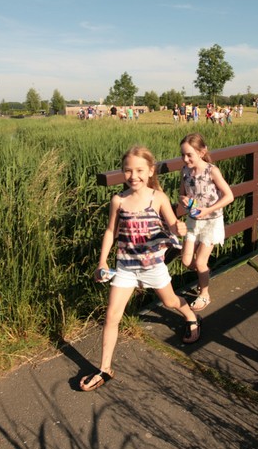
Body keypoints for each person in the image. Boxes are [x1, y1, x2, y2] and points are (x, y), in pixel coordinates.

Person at [81, 146, 200, 392]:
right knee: (112, 316)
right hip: (125, 266)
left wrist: (179, 228)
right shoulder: (119, 200)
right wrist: (102, 262)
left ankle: (190, 316)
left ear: (150, 171)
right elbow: (111, 231)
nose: (133, 176)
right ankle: (105, 369)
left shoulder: (158, 198)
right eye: (128, 171)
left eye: (139, 170)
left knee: (169, 301)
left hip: (153, 266)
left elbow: (173, 224)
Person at [178, 133, 235, 313]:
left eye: (189, 155)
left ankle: (204, 294)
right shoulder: (185, 171)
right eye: (183, 155)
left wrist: (208, 210)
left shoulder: (212, 171)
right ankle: (204, 275)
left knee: (200, 262)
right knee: (186, 260)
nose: (185, 159)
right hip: (193, 221)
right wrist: (183, 200)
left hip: (211, 222)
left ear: (202, 152)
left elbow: (229, 196)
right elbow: (181, 195)